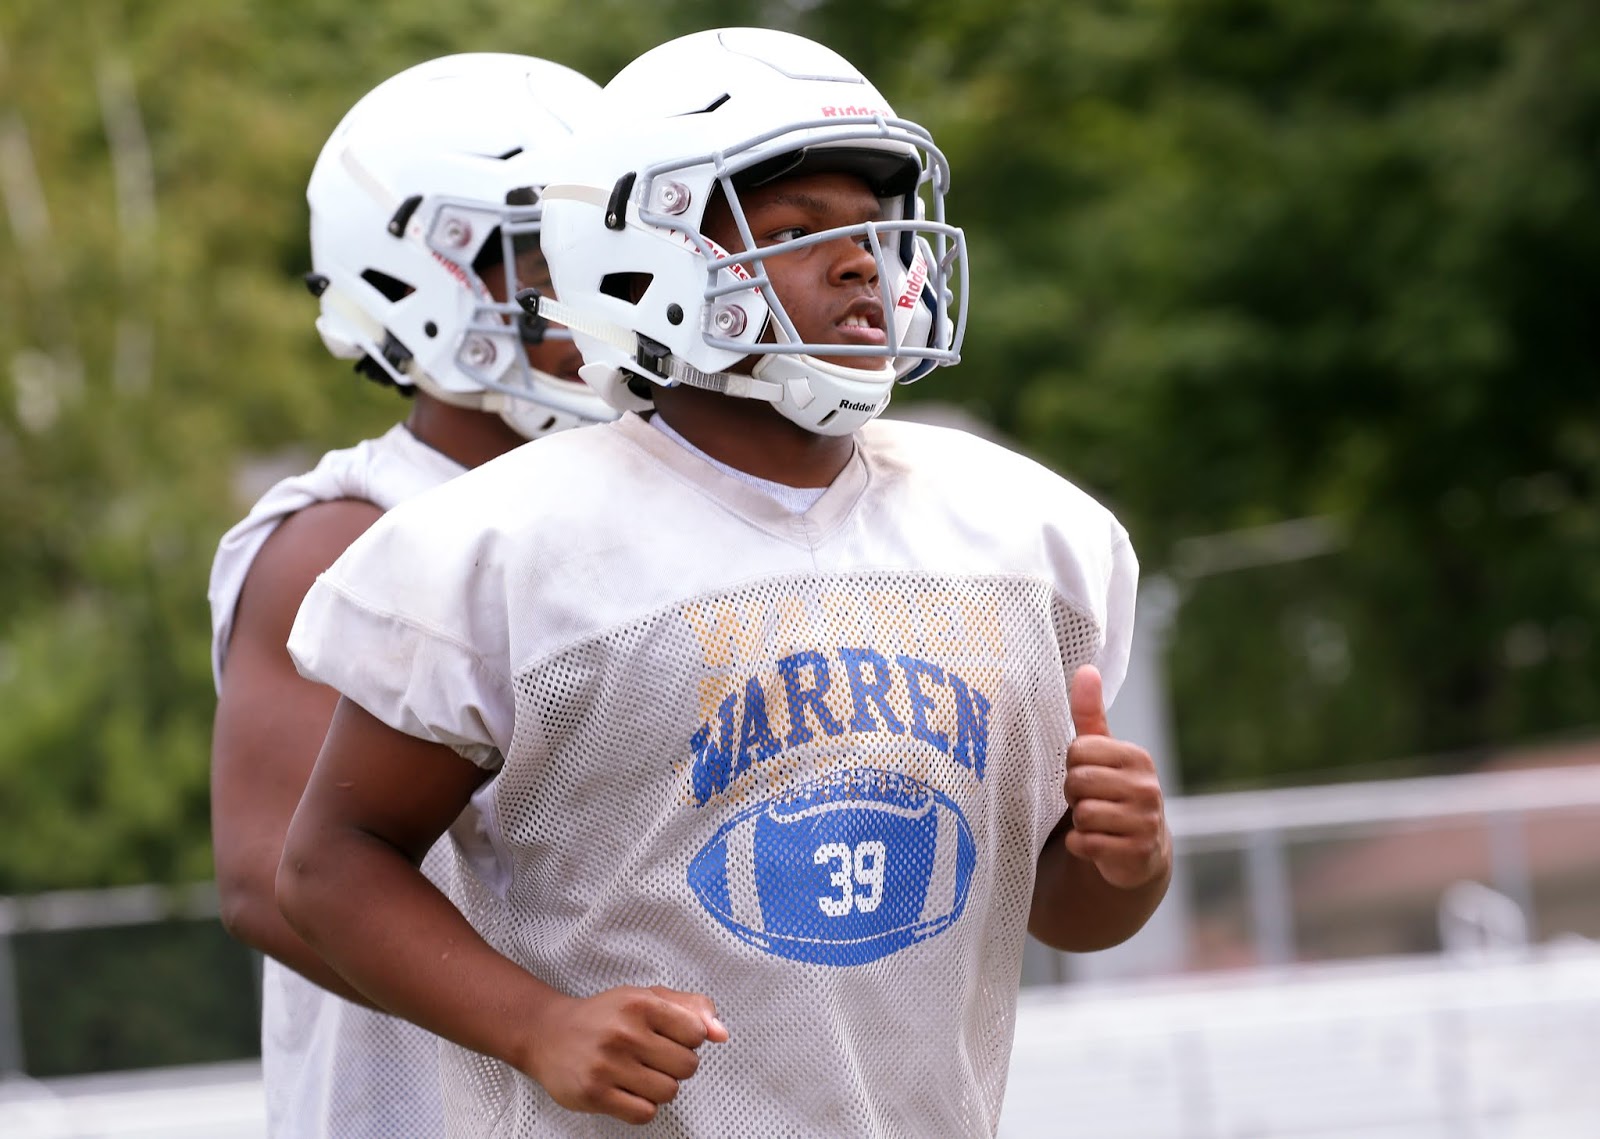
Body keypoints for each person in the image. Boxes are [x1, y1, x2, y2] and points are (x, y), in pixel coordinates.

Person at [277, 27, 1172, 1137]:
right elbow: (325, 866)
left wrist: (1123, 863)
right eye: (800, 231)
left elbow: (1063, 915)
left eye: (876, 231)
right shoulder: (505, 545)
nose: (863, 263)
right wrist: (535, 1024)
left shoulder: (1026, 538)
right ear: (641, 261)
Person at [207, 53, 614, 1138]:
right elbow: (265, 875)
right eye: (544, 254)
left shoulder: (647, 506)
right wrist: (541, 1022)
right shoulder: (347, 530)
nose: (591, 285)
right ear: (412, 274)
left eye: (601, 245)